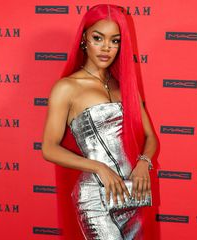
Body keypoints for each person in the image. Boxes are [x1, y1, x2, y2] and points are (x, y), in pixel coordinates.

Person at [42, 4, 159, 240]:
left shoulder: (124, 87)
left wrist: (143, 164)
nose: (107, 47)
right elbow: (49, 148)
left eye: (115, 41)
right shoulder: (67, 87)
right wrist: (99, 167)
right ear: (84, 38)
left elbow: (150, 137)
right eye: (98, 38)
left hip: (133, 193)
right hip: (96, 196)